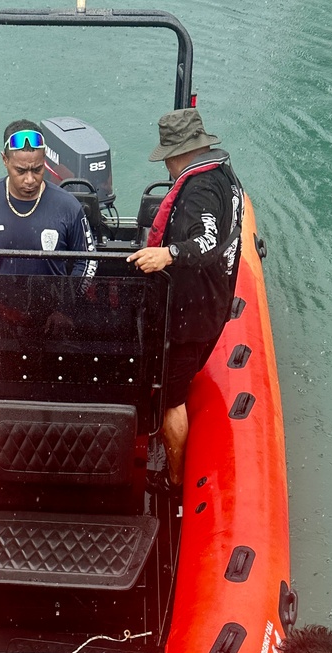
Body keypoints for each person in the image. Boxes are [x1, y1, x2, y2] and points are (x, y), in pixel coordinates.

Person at [128, 108, 244, 492]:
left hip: (189, 315)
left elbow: (207, 242)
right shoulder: (224, 175)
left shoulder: (199, 190)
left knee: (173, 400)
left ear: (179, 154)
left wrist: (169, 254)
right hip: (210, 304)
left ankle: (173, 479)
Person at [0, 119, 96, 278]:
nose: (30, 179)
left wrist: (69, 297)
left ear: (45, 158)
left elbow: (88, 261)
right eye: (21, 171)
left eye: (37, 169)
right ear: (5, 160)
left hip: (52, 302)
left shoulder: (68, 206)